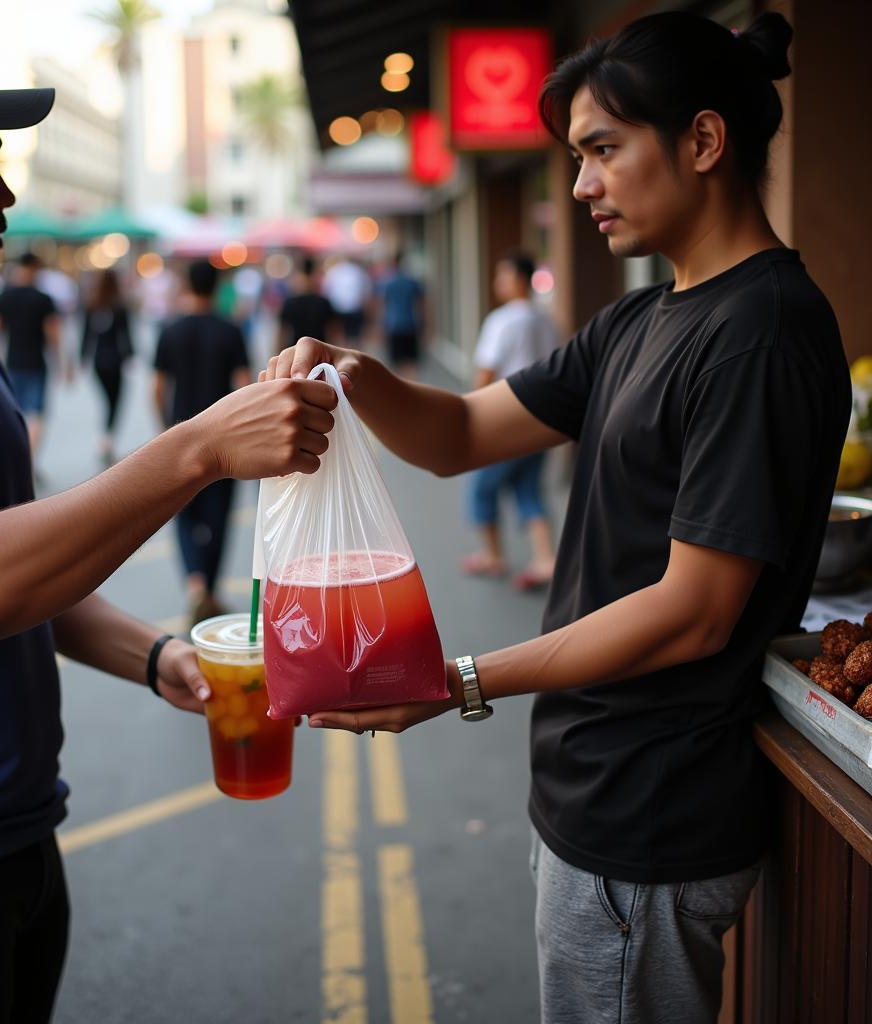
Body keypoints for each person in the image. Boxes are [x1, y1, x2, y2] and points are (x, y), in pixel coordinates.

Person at [263, 12, 850, 1024]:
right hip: (593, 792)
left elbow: (693, 612)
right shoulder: (639, 317)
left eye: (602, 151)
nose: (578, 186)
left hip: (649, 811)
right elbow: (455, 431)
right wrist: (352, 373)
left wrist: (458, 682)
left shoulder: (760, 332)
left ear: (703, 142)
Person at [0, 33, 336, 1024]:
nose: (9, 201)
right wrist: (196, 449)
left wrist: (156, 655)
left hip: (14, 841)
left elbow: (32, 572)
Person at [154, 259, 253, 628]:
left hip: (181, 436)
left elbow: (158, 387)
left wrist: (166, 426)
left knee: (183, 514)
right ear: (216, 288)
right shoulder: (230, 331)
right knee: (218, 515)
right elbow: (244, 384)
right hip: (222, 439)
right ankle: (208, 589)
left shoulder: (171, 330)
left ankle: (196, 585)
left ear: (187, 286)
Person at [461, 250, 561, 587]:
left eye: (502, 275)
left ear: (519, 279)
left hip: (505, 419)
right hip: (543, 418)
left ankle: (492, 555)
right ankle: (545, 558)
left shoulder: (502, 320)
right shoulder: (546, 319)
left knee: (481, 487)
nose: (497, 282)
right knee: (529, 488)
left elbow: (486, 372)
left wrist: (468, 414)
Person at [0, 251, 60, 457]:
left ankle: (19, 459)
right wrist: (61, 362)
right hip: (37, 362)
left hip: (12, 362)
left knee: (14, 414)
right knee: (36, 415)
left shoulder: (5, 296)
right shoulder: (43, 299)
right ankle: (29, 458)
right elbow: (53, 333)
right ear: (35, 269)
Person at [81, 267, 133, 466]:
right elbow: (126, 335)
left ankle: (105, 440)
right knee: (115, 401)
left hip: (98, 361)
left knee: (106, 401)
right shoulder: (119, 306)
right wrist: (130, 355)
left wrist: (82, 357)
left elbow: (85, 335)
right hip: (115, 361)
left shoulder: (92, 305)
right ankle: (107, 440)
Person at [277, 254, 339, 357]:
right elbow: (334, 332)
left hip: (295, 353)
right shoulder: (323, 302)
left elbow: (282, 333)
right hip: (320, 353)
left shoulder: (290, 302)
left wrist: (279, 355)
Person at [377, 251, 425, 378]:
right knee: (411, 363)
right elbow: (421, 306)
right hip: (410, 325)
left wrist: (381, 327)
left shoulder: (389, 283)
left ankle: (400, 392)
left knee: (396, 363)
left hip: (394, 326)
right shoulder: (413, 282)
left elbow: (383, 306)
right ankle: (413, 389)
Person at [322, 255, 370, 345]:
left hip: (338, 306)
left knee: (341, 332)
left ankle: (343, 349)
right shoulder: (358, 271)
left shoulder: (334, 271)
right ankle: (353, 349)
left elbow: (326, 289)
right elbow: (366, 290)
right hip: (355, 306)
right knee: (354, 333)